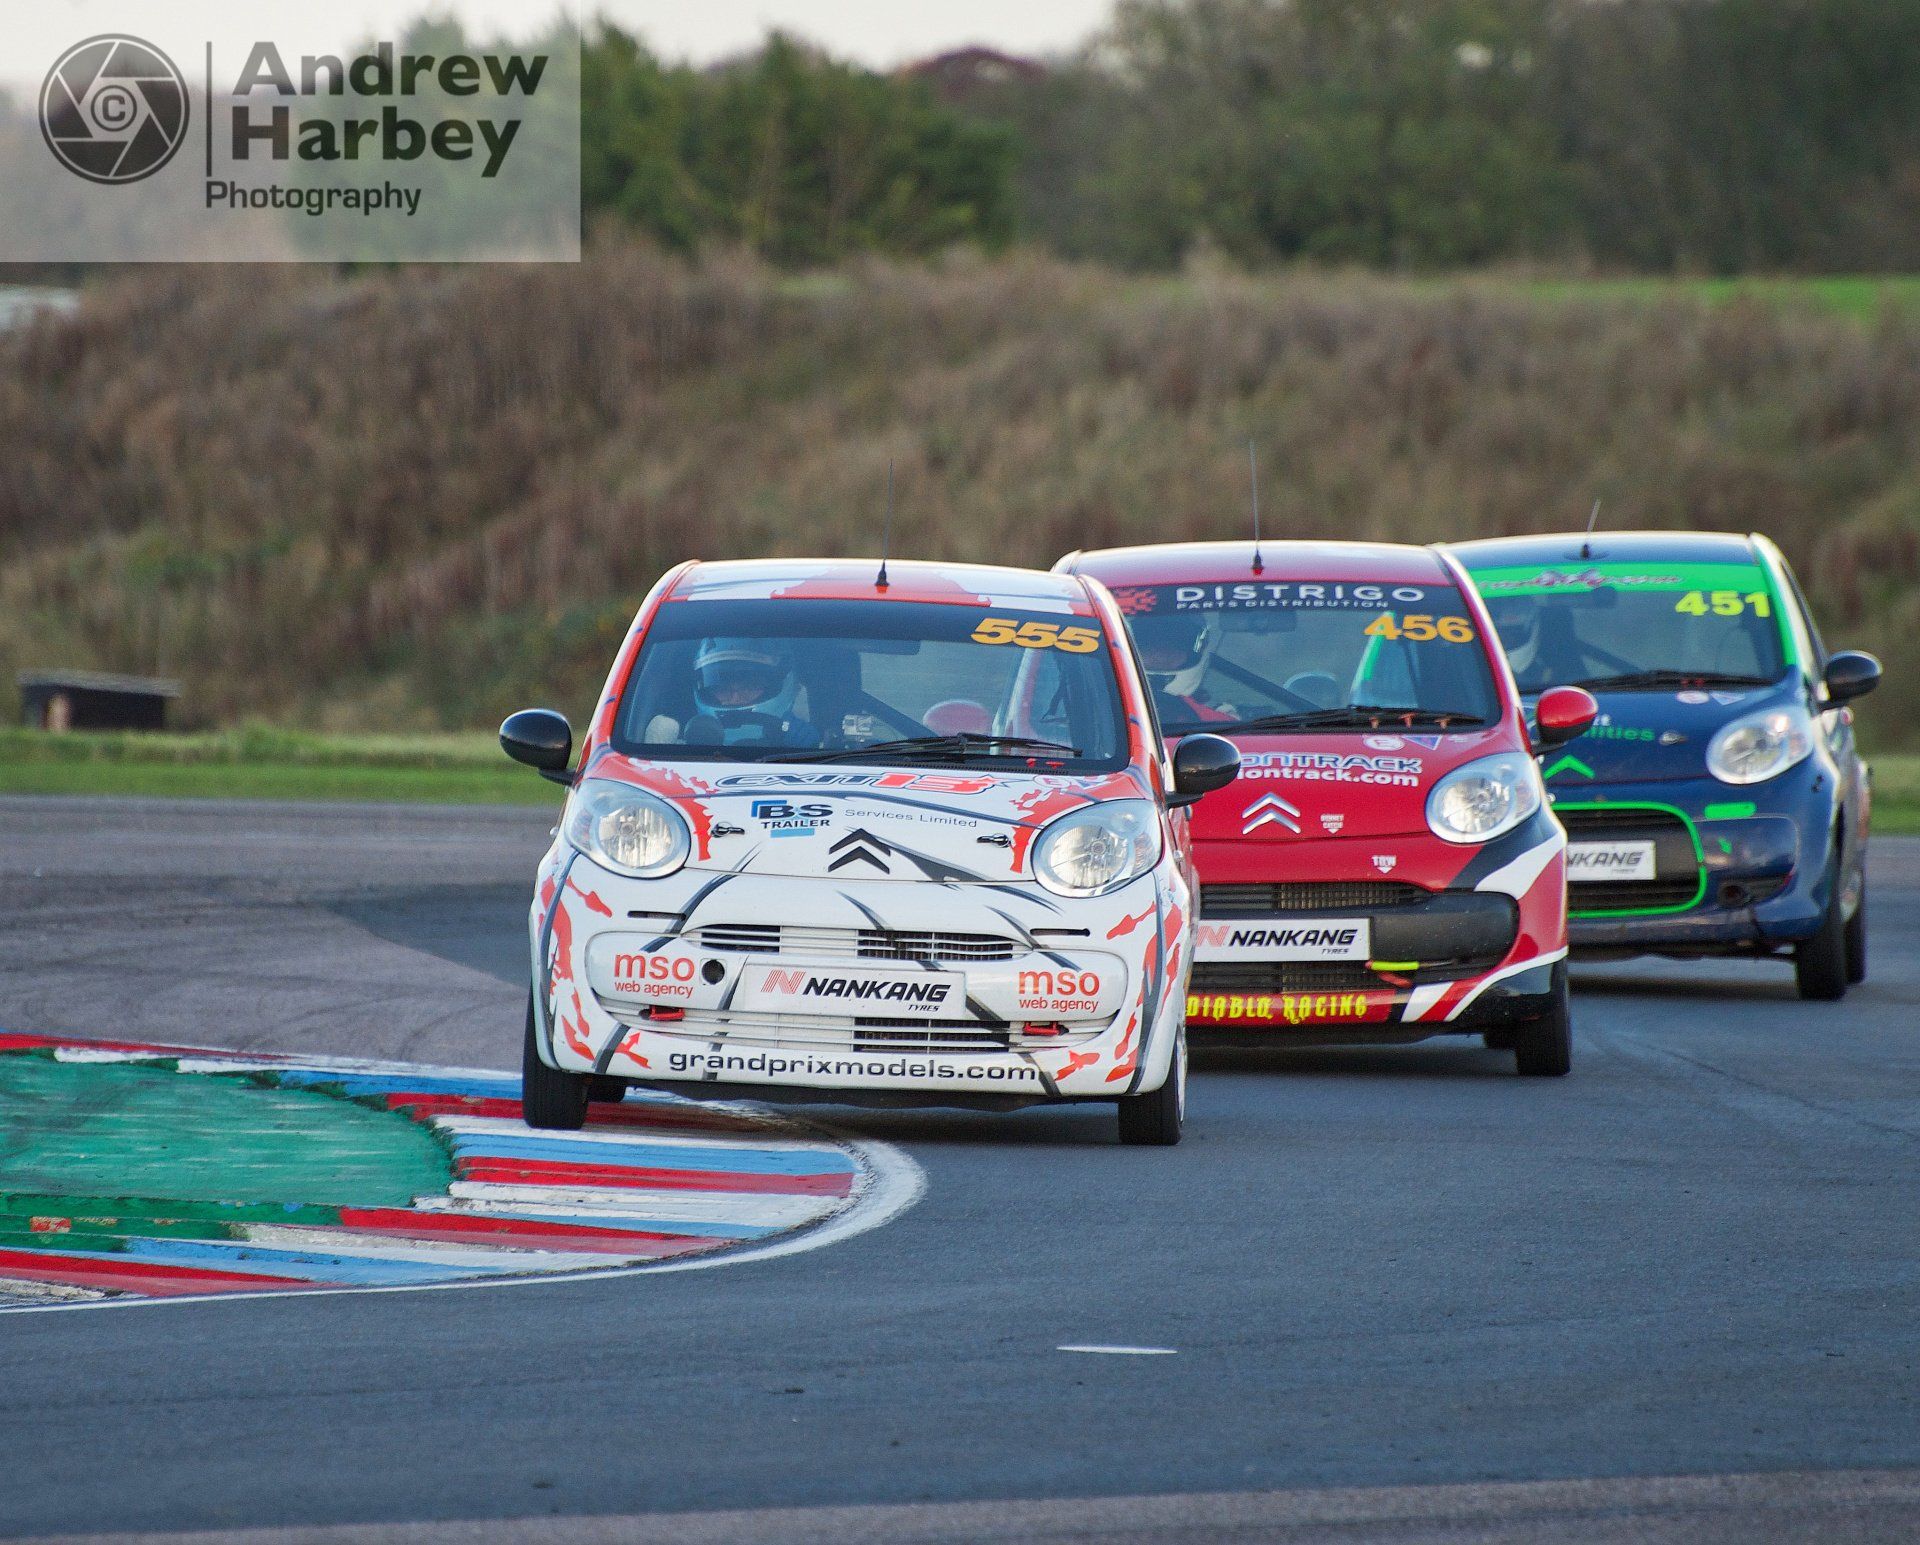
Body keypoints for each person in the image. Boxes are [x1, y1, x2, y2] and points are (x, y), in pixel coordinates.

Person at [649, 638, 819, 747]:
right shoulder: (675, 752)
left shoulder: (813, 747)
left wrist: (805, 750)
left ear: (781, 684)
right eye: (722, 688)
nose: (735, 698)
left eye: (750, 687)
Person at [1132, 611, 1235, 725]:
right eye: (1148, 647)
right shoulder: (1111, 710)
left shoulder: (1220, 722)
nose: (1159, 657)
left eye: (1172, 649)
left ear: (1197, 651)